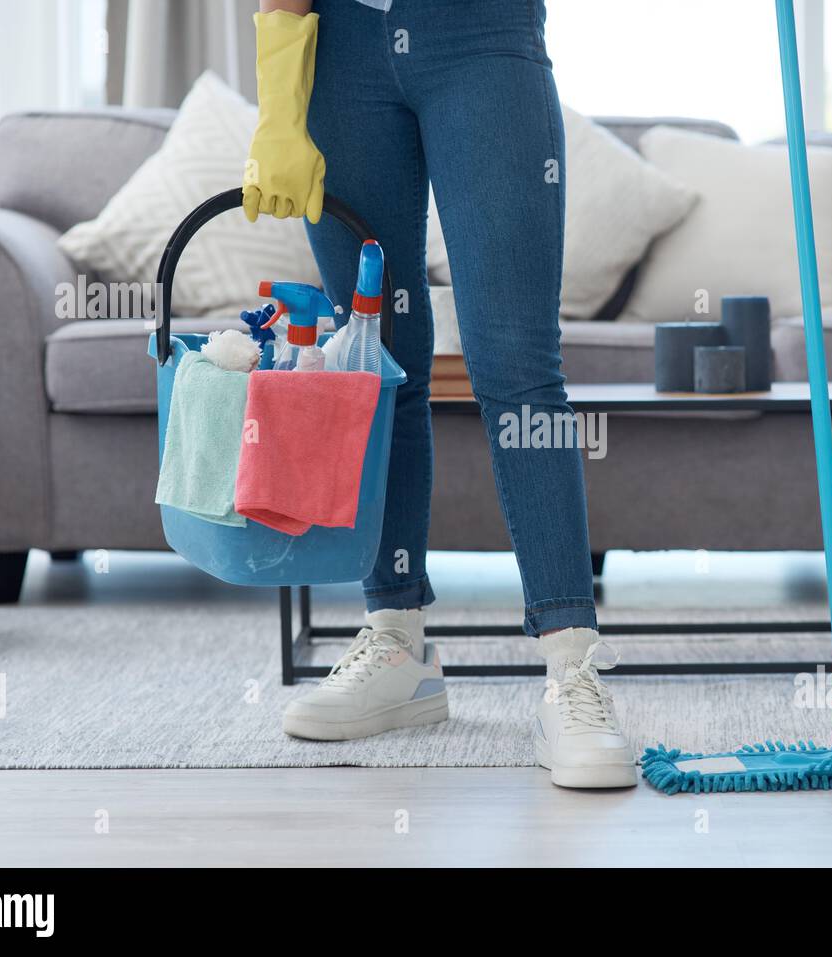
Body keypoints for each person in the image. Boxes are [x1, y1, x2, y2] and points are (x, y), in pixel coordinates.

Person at [243, 0, 634, 788]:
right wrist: (281, 100)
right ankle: (396, 642)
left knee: (516, 359)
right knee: (374, 359)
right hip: (339, 45)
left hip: (481, 34)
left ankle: (572, 665)